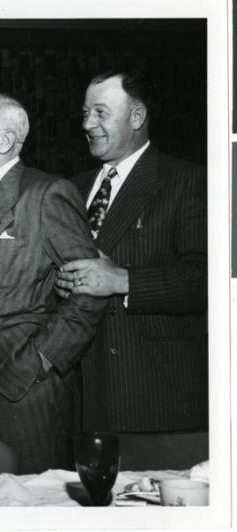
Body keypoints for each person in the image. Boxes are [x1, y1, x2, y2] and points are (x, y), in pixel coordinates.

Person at [0, 93, 107, 474]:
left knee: (34, 504)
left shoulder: (46, 194)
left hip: (22, 387)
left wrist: (44, 359)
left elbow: (89, 288)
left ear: (4, 141)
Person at [55, 69, 208, 438]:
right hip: (81, 399)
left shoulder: (187, 181)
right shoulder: (74, 188)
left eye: (100, 112)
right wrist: (61, 283)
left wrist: (121, 280)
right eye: (85, 112)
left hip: (151, 397)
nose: (87, 123)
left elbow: (206, 279)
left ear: (137, 117)